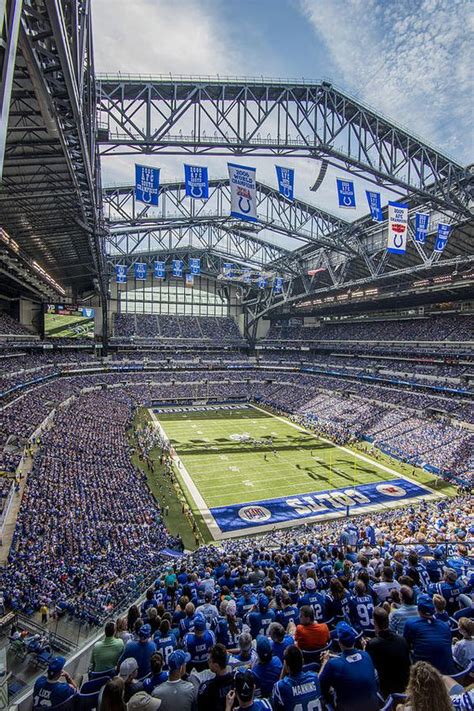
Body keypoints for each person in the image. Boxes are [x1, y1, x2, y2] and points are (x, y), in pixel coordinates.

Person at [319, 622, 379, 711]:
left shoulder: (333, 664)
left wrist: (324, 663)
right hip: (373, 707)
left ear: (339, 642)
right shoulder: (366, 655)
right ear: (354, 640)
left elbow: (320, 685)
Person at [403, 594, 455, 675]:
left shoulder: (410, 623)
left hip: (427, 677)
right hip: (449, 675)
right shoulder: (444, 625)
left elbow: (405, 645)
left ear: (419, 610)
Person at [365, 607, 411, 697]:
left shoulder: (372, 644)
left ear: (375, 623)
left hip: (387, 690)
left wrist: (365, 650)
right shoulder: (402, 640)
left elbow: (368, 667)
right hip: (406, 686)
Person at [272, 644, 322, 711]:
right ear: (303, 662)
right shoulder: (315, 678)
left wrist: (285, 666)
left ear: (286, 666)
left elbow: (275, 706)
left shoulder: (281, 686)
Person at [197, 643, 234, 711]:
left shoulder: (207, 689)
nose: (208, 662)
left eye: (209, 661)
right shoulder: (236, 680)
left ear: (216, 666)